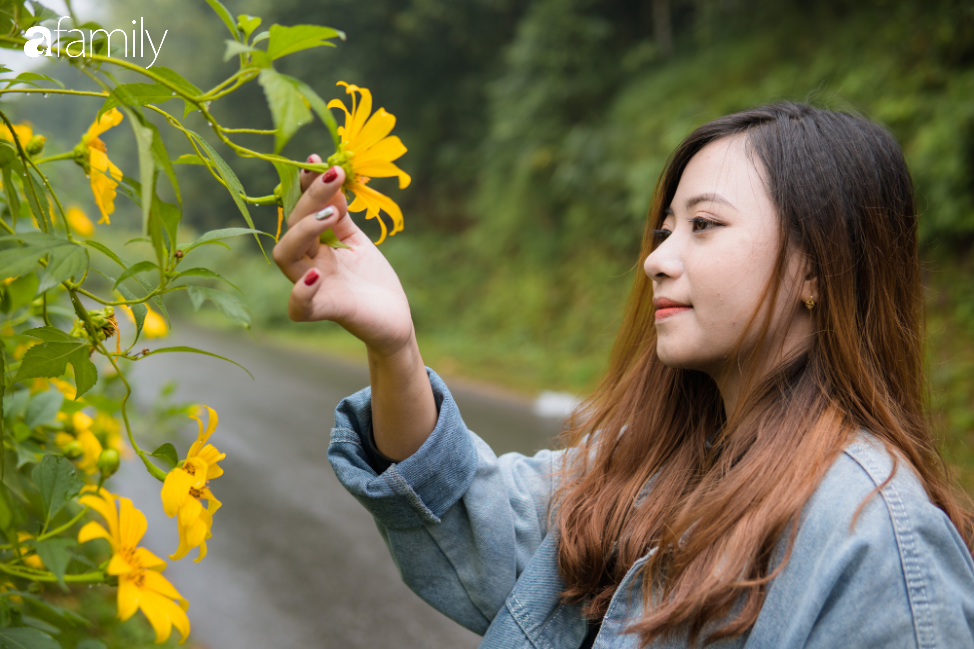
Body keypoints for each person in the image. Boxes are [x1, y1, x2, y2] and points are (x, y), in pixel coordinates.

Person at [272, 102, 974, 648]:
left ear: (817, 269)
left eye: (704, 225)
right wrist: (396, 345)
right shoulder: (648, 467)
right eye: (665, 228)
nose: (658, 259)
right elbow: (469, 515)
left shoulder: (876, 541)